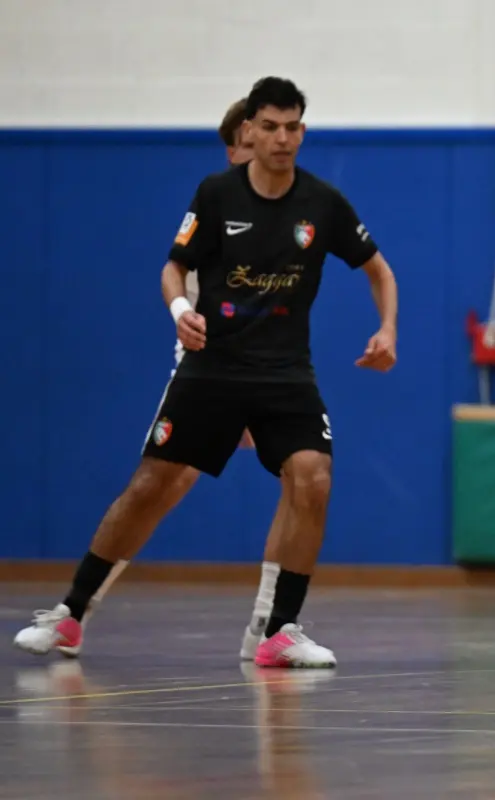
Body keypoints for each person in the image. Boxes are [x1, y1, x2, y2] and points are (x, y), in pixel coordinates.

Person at [14, 76, 399, 669]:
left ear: (302, 131)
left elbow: (379, 270)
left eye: (292, 127)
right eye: (269, 127)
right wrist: (179, 312)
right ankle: (72, 613)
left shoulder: (322, 203)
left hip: (286, 374)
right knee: (152, 486)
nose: (282, 138)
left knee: (313, 477)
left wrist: (387, 330)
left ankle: (277, 629)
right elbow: (174, 267)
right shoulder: (217, 195)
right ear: (249, 131)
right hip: (212, 368)